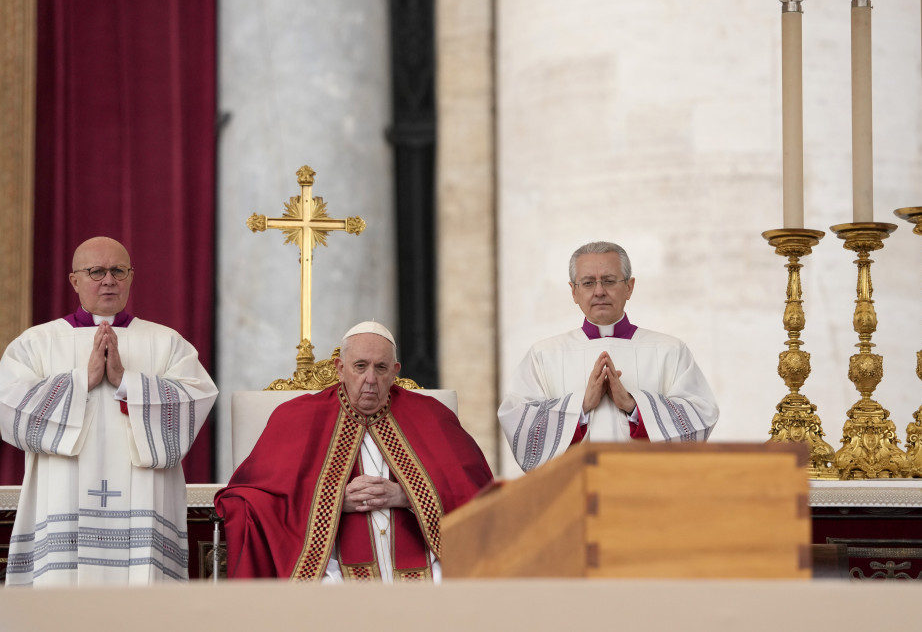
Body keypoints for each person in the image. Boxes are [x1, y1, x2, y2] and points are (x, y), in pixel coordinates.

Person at [0, 236, 218, 586]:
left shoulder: (166, 342)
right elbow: (9, 405)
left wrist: (126, 381)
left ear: (131, 277)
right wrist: (80, 381)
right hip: (63, 497)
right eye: (96, 271)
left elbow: (195, 398)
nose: (108, 280)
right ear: (74, 280)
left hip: (142, 504)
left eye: (118, 271)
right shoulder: (36, 343)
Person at [214, 321, 493, 582]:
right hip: (332, 563)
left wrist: (408, 495)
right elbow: (251, 497)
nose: (370, 379)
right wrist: (333, 501)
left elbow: (476, 492)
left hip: (424, 559)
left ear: (395, 371)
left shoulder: (432, 416)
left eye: (381, 368)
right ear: (340, 368)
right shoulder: (296, 417)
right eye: (360, 366)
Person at [498, 241, 719, 472]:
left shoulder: (670, 350)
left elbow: (701, 413)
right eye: (588, 283)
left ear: (629, 287)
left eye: (609, 281)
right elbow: (519, 423)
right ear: (573, 291)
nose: (599, 291)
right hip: (575, 486)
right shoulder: (543, 355)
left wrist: (634, 406)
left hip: (647, 484)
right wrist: (581, 405)